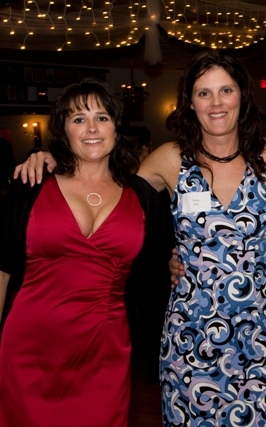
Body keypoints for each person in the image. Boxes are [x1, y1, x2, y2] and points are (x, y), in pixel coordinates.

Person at [15, 51, 266, 426]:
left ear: (243, 96)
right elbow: (108, 184)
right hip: (191, 334)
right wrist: (56, 161)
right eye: (204, 93)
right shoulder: (170, 159)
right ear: (189, 102)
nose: (216, 103)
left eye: (226, 91)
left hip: (262, 334)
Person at [0, 79, 174, 426]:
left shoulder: (143, 196)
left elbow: (163, 264)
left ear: (116, 126)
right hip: (28, 347)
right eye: (78, 119)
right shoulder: (32, 183)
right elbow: (2, 269)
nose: (92, 128)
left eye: (102, 117)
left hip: (105, 352)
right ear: (63, 130)